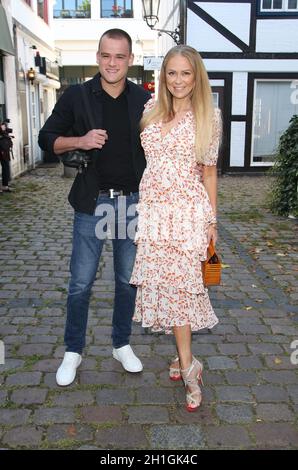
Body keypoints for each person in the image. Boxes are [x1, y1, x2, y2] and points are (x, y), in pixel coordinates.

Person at [38, 29, 151, 386]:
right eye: (106, 55)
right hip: (93, 202)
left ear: (129, 60)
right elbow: (46, 139)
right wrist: (81, 140)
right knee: (80, 284)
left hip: (132, 203)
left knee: (126, 282)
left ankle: (121, 343)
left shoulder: (144, 99)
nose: (112, 63)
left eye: (120, 56)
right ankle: (73, 350)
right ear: (97, 57)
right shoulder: (77, 96)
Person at [130, 45, 221, 411]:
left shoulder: (208, 116)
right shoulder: (149, 111)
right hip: (154, 214)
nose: (178, 80)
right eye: (172, 73)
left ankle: (188, 368)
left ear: (196, 75)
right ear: (163, 76)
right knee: (168, 286)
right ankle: (183, 359)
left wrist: (212, 221)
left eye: (186, 73)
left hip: (187, 214)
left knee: (181, 290)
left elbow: (210, 171)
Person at [0, 120, 14, 194]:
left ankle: (5, 186)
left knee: (5, 167)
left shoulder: (2, 123)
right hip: (1, 148)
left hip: (4, 149)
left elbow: (5, 131)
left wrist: (4, 125)